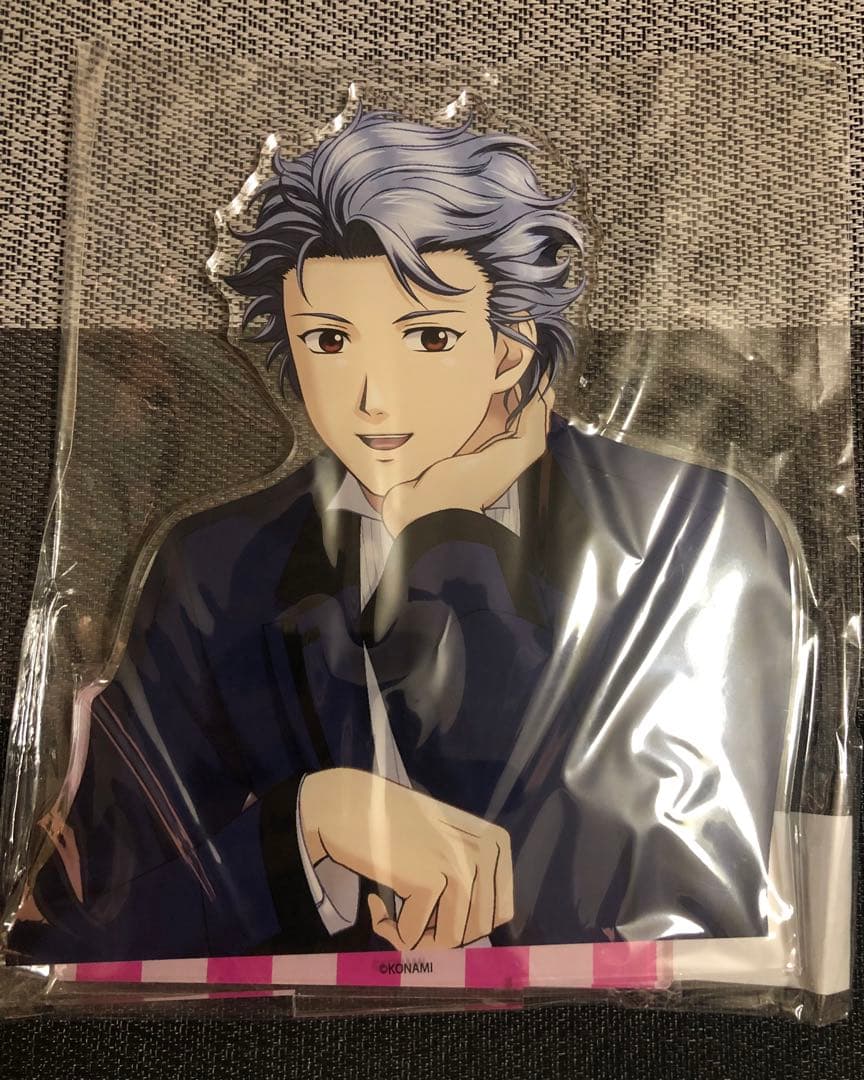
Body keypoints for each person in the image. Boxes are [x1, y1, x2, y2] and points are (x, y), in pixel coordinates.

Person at [9, 109, 796, 963]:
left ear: (511, 345)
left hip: (615, 1025)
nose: (372, 396)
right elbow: (77, 929)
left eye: (428, 336)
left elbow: (713, 908)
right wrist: (311, 826)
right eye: (329, 340)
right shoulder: (216, 566)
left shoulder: (695, 533)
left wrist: (450, 547)